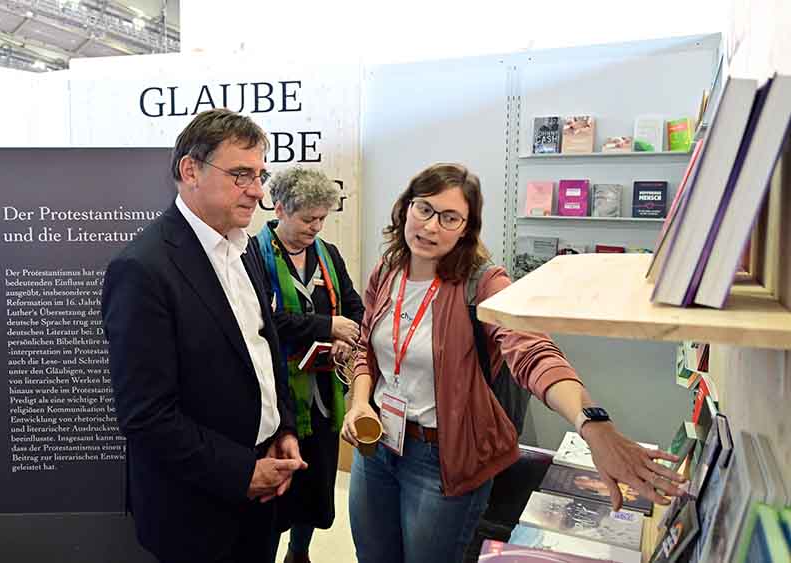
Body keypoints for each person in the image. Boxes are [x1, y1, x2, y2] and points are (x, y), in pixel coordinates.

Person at [341, 163, 686, 563]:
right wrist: (361, 402)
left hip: (443, 459)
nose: (431, 226)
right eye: (424, 209)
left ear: (466, 228)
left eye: (449, 217)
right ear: (405, 208)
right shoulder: (387, 271)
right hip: (377, 447)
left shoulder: (484, 283)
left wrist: (594, 425)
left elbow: (534, 352)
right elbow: (366, 346)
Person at [101, 108, 307, 563]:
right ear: (189, 170)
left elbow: (263, 348)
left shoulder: (245, 246)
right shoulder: (142, 268)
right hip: (196, 509)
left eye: (259, 174)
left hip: (263, 488)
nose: (257, 191)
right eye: (240, 175)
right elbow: (146, 415)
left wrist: (283, 427)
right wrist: (243, 473)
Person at [255, 167, 364, 563]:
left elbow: (354, 308)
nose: (316, 227)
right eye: (307, 219)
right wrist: (325, 325)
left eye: (322, 218)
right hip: (278, 393)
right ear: (280, 208)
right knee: (279, 484)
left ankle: (299, 553)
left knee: (317, 482)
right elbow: (265, 322)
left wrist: (343, 340)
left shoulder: (328, 255)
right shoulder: (254, 255)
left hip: (322, 393)